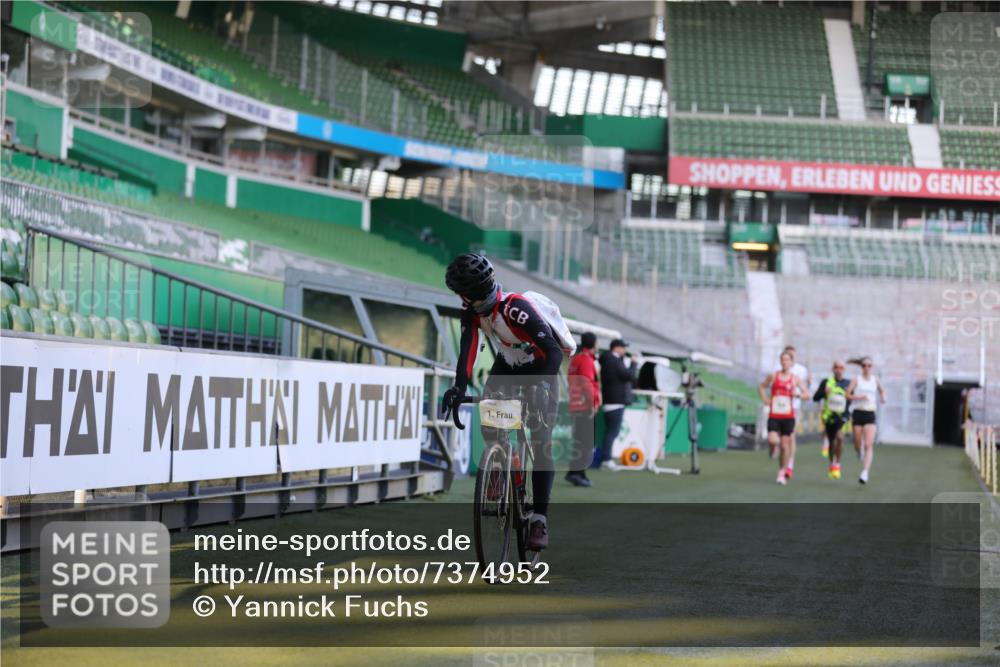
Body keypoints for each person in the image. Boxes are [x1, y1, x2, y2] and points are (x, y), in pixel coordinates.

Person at [440, 253, 563, 550]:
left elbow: (554, 351)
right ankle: (504, 462)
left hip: (542, 363)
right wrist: (458, 387)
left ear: (472, 291)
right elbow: (468, 349)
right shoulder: (471, 309)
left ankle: (539, 520)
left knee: (541, 437)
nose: (459, 297)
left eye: (461, 292)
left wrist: (540, 385)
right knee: (491, 416)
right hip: (508, 363)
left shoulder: (516, 309)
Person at [760, 350, 809, 485]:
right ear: (780, 361)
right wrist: (765, 399)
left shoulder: (795, 379)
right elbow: (762, 386)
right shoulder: (773, 376)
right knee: (772, 439)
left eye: (787, 360)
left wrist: (798, 395)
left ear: (792, 363)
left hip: (788, 416)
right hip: (774, 414)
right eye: (783, 359)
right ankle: (772, 449)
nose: (784, 362)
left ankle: (782, 471)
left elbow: (807, 394)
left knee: (784, 445)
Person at [596, 339, 637, 468]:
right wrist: (634, 364)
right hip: (615, 401)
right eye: (623, 347)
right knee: (612, 432)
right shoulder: (613, 361)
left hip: (610, 400)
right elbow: (629, 375)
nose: (624, 350)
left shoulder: (608, 360)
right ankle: (606, 459)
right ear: (616, 348)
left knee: (611, 431)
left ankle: (606, 458)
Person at [566, 332, 600, 487]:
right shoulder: (586, 360)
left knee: (580, 441)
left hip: (575, 404)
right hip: (584, 405)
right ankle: (578, 474)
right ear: (594, 344)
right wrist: (592, 403)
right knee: (585, 442)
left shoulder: (577, 358)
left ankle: (575, 473)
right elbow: (587, 383)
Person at [770, 345, 810, 473]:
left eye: (791, 356)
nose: (787, 360)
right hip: (776, 409)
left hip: (793, 408)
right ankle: (775, 448)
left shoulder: (801, 370)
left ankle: (790, 463)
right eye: (785, 356)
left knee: (790, 437)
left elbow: (805, 389)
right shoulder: (776, 370)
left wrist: (799, 394)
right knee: (776, 438)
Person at [848, 356, 886, 485]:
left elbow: (882, 390)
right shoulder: (856, 380)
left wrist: (883, 397)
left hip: (870, 413)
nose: (867, 368)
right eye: (864, 365)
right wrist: (858, 397)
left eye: (869, 366)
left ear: (872, 367)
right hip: (858, 412)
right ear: (861, 367)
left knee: (868, 444)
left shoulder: (875, 380)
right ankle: (859, 451)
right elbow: (847, 394)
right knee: (858, 443)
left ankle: (865, 472)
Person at [813, 360, 851, 480]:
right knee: (832, 441)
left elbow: (852, 399)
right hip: (829, 416)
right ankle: (832, 463)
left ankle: (837, 464)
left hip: (842, 415)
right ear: (833, 369)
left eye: (841, 367)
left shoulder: (848, 383)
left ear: (844, 370)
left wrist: (848, 397)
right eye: (836, 367)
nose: (839, 369)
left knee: (840, 437)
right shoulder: (826, 382)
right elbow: (815, 397)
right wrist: (824, 393)